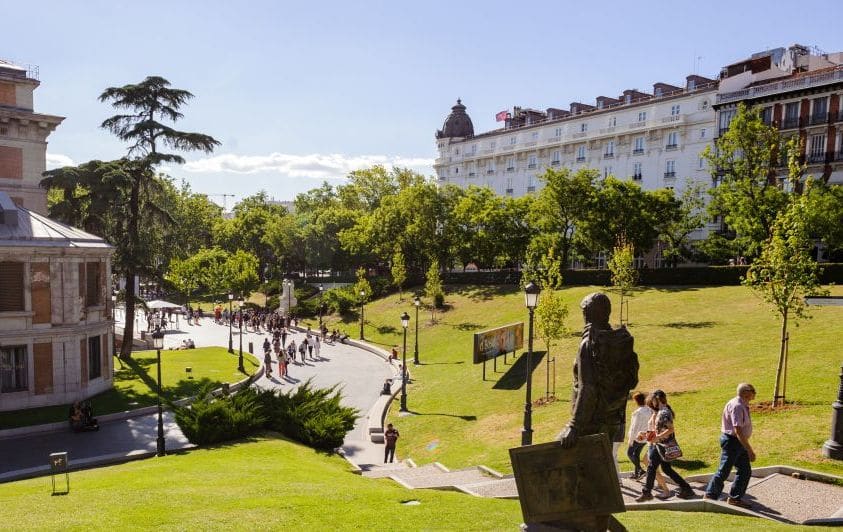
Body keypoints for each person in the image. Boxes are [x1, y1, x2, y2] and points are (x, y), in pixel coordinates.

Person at [636, 390, 695, 501]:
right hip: (659, 445)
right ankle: (687, 489)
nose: (651, 403)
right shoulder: (661, 412)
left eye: (652, 400)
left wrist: (657, 438)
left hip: (661, 445)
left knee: (651, 466)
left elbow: (670, 429)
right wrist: (645, 435)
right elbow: (658, 430)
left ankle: (647, 492)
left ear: (657, 399)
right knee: (666, 469)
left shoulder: (664, 412)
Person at [704, 383, 757, 508]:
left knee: (745, 470)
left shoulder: (742, 404)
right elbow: (737, 430)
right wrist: (749, 450)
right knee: (724, 470)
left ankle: (735, 498)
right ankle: (710, 495)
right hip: (733, 441)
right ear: (745, 392)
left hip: (737, 441)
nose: (755, 393)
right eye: (753, 390)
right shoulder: (737, 406)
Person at [626, 391, 650, 479]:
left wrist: (630, 440)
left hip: (637, 437)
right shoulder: (649, 410)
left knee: (629, 453)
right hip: (645, 437)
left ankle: (640, 470)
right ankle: (637, 474)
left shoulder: (637, 413)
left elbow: (634, 428)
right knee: (636, 454)